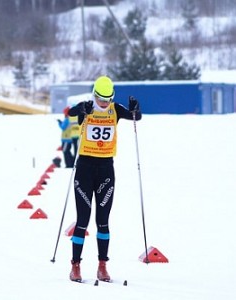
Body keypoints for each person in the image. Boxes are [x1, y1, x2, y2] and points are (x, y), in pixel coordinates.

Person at [67, 75, 141, 283]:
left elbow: (137, 117)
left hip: (106, 170)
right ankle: (75, 265)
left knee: (103, 221)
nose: (104, 103)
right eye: (101, 99)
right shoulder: (87, 106)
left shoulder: (115, 110)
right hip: (84, 169)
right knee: (82, 220)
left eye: (108, 99)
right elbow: (71, 112)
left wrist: (136, 108)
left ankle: (102, 266)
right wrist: (82, 110)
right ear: (95, 95)